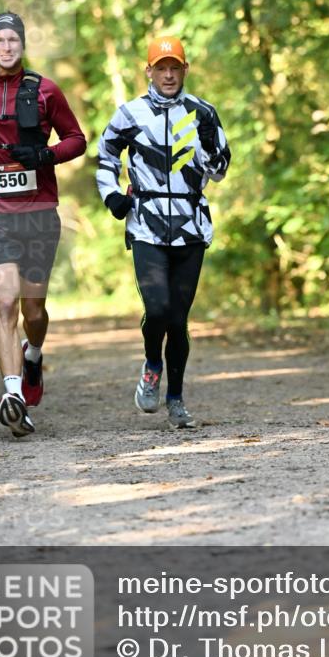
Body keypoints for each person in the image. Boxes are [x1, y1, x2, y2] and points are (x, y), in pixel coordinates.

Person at [0, 11, 86, 438]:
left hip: (39, 210)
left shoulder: (45, 90)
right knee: (4, 301)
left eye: (13, 40)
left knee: (34, 310)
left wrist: (45, 156)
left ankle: (33, 356)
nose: (6, 47)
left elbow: (76, 140)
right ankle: (13, 395)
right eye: (0, 40)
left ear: (22, 44)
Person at [96, 35, 230, 429]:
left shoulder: (203, 112)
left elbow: (220, 171)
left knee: (178, 319)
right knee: (157, 309)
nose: (168, 75)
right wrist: (111, 196)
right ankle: (152, 363)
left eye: (175, 68)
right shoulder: (130, 113)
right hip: (146, 223)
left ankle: (176, 399)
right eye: (161, 68)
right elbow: (105, 155)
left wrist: (210, 148)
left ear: (185, 71)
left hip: (190, 224)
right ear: (149, 71)